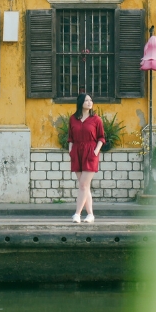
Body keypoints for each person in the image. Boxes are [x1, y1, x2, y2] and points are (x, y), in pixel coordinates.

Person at [68, 93, 105, 223]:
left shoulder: (96, 119)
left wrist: (96, 151)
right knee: (85, 186)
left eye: (91, 100)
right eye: (86, 100)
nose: (90, 102)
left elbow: (101, 137)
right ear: (80, 103)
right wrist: (70, 150)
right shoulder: (73, 119)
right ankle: (90, 215)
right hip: (76, 152)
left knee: (83, 184)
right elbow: (70, 137)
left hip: (91, 152)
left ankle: (77, 214)